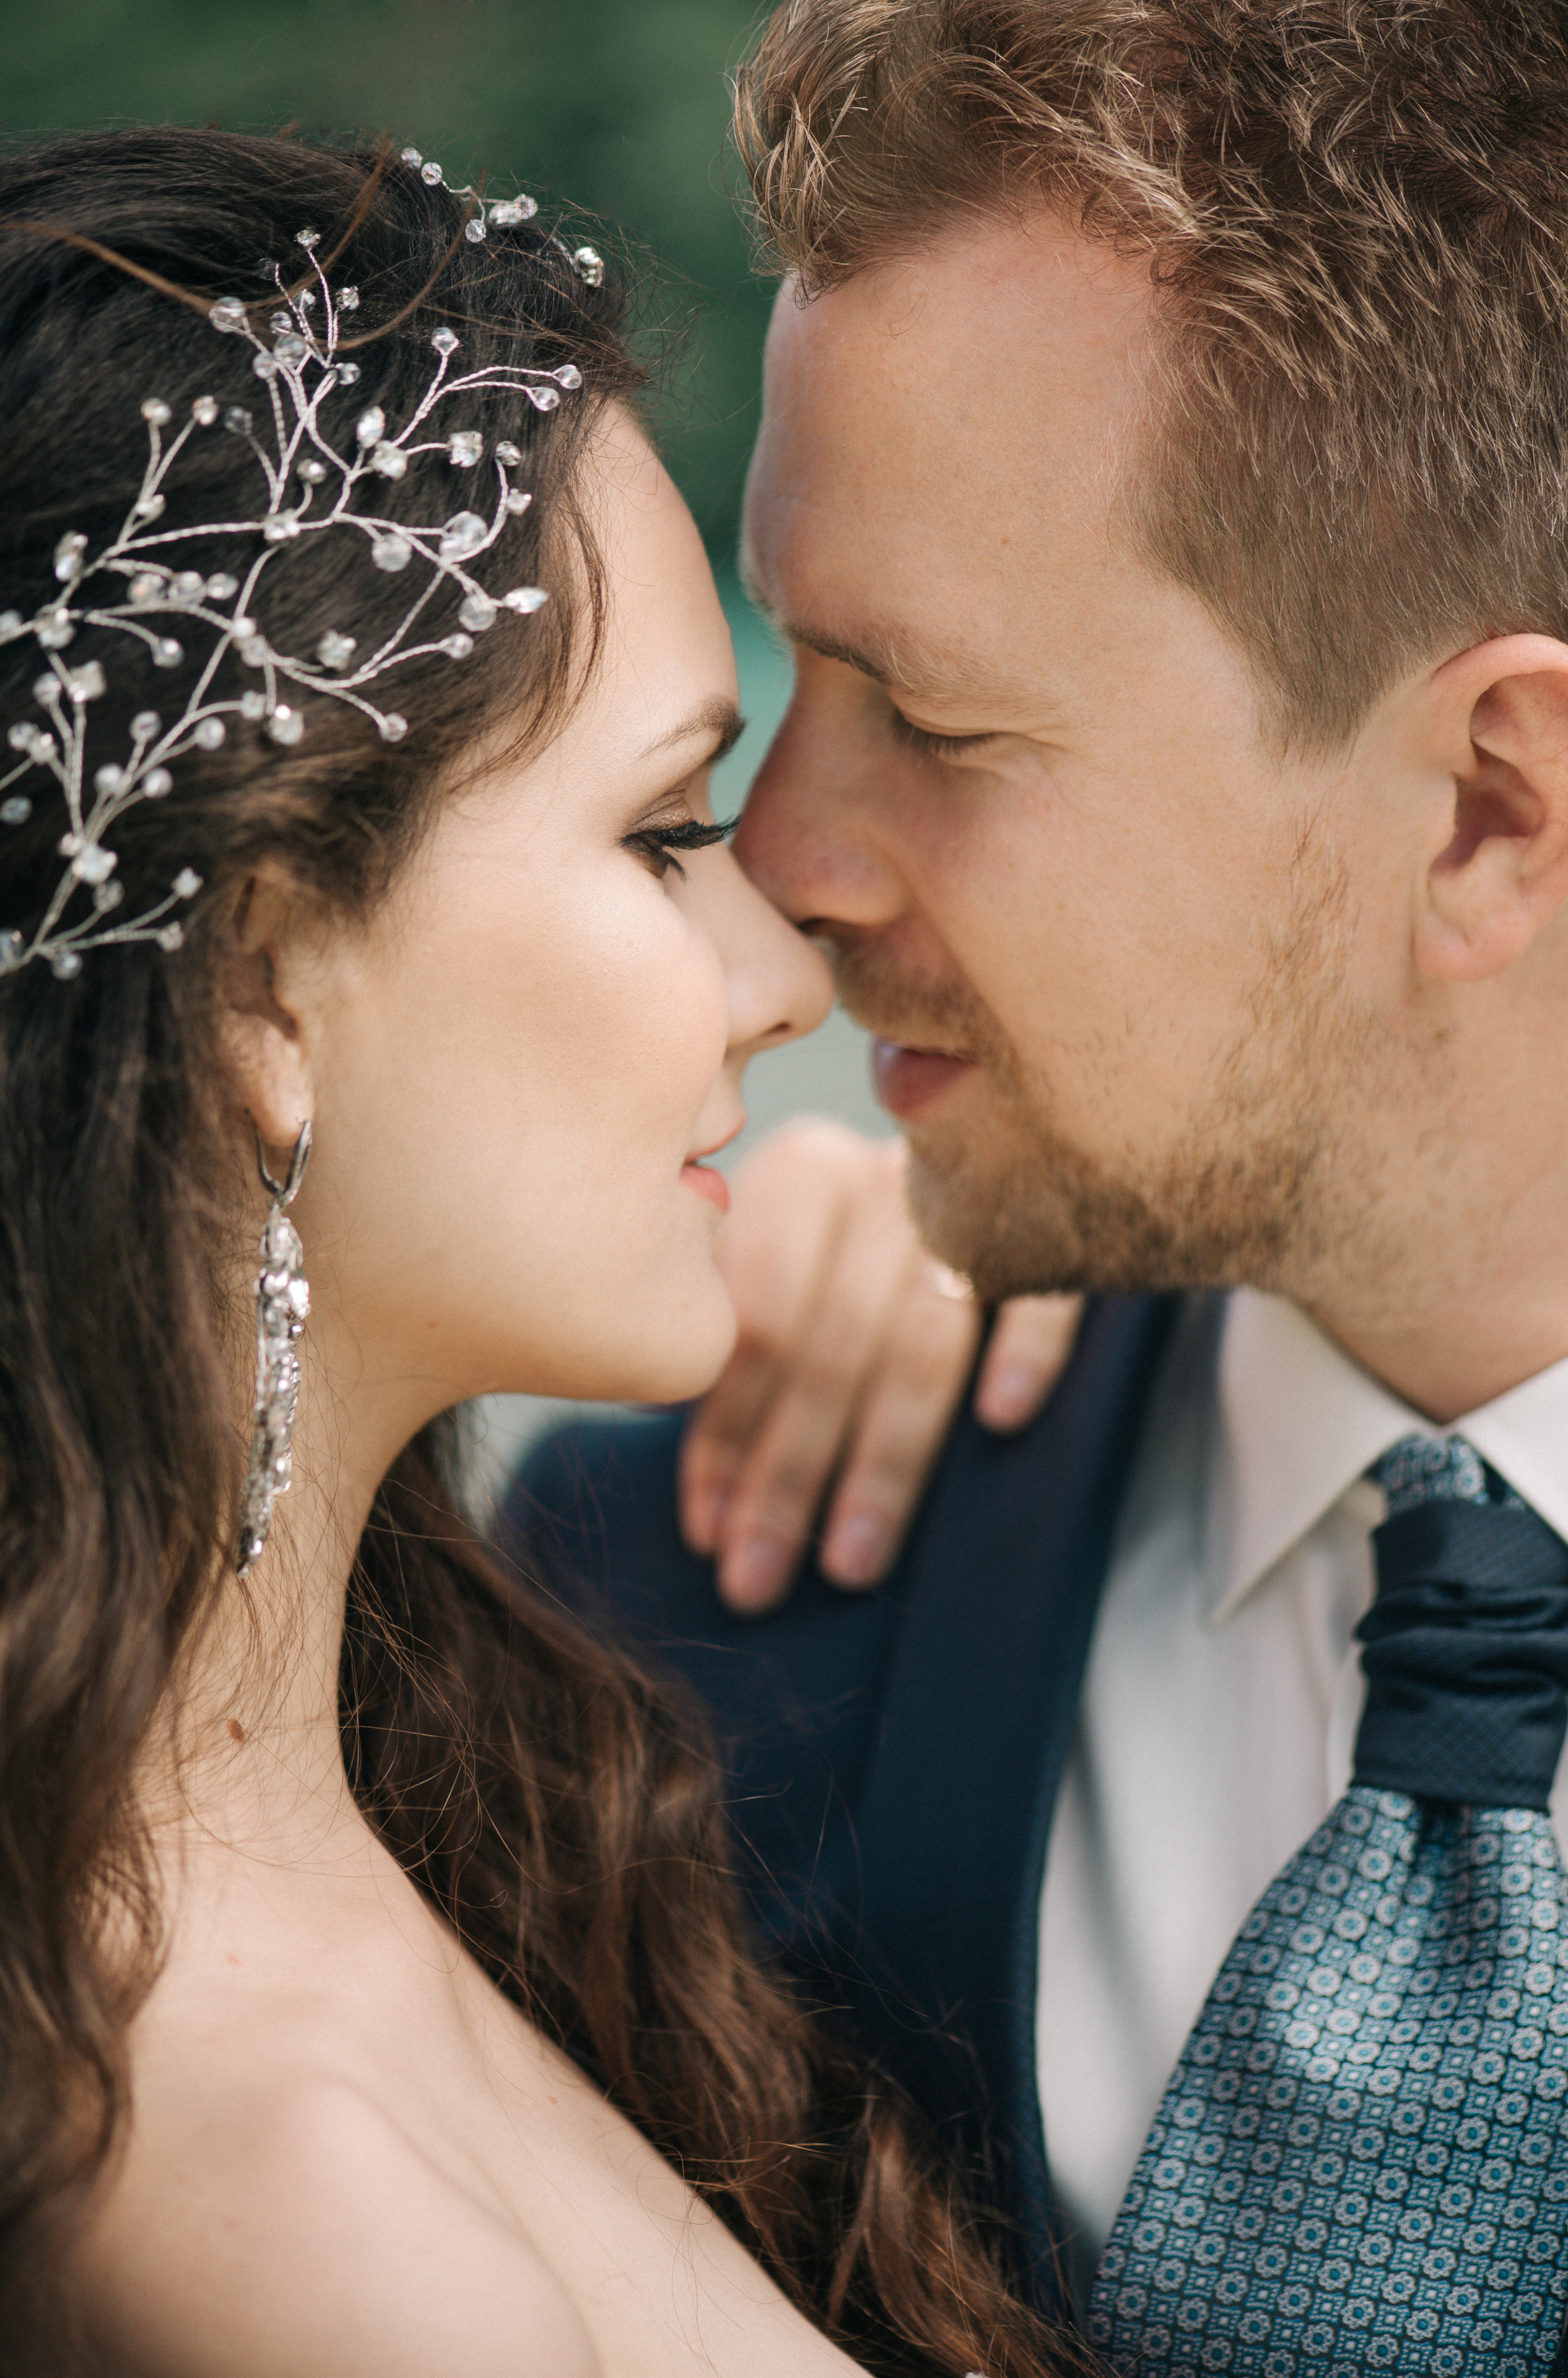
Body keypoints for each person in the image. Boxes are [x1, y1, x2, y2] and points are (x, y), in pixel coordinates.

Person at [517, 4, 1568, 2373]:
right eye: (794, 676)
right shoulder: (637, 1615)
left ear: (1490, 806)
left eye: (937, 718)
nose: (780, 869)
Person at [0, 126, 1080, 2378]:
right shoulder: (317, 2245)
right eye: (667, 830)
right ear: (260, 985)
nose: (782, 970)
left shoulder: (430, 1816)